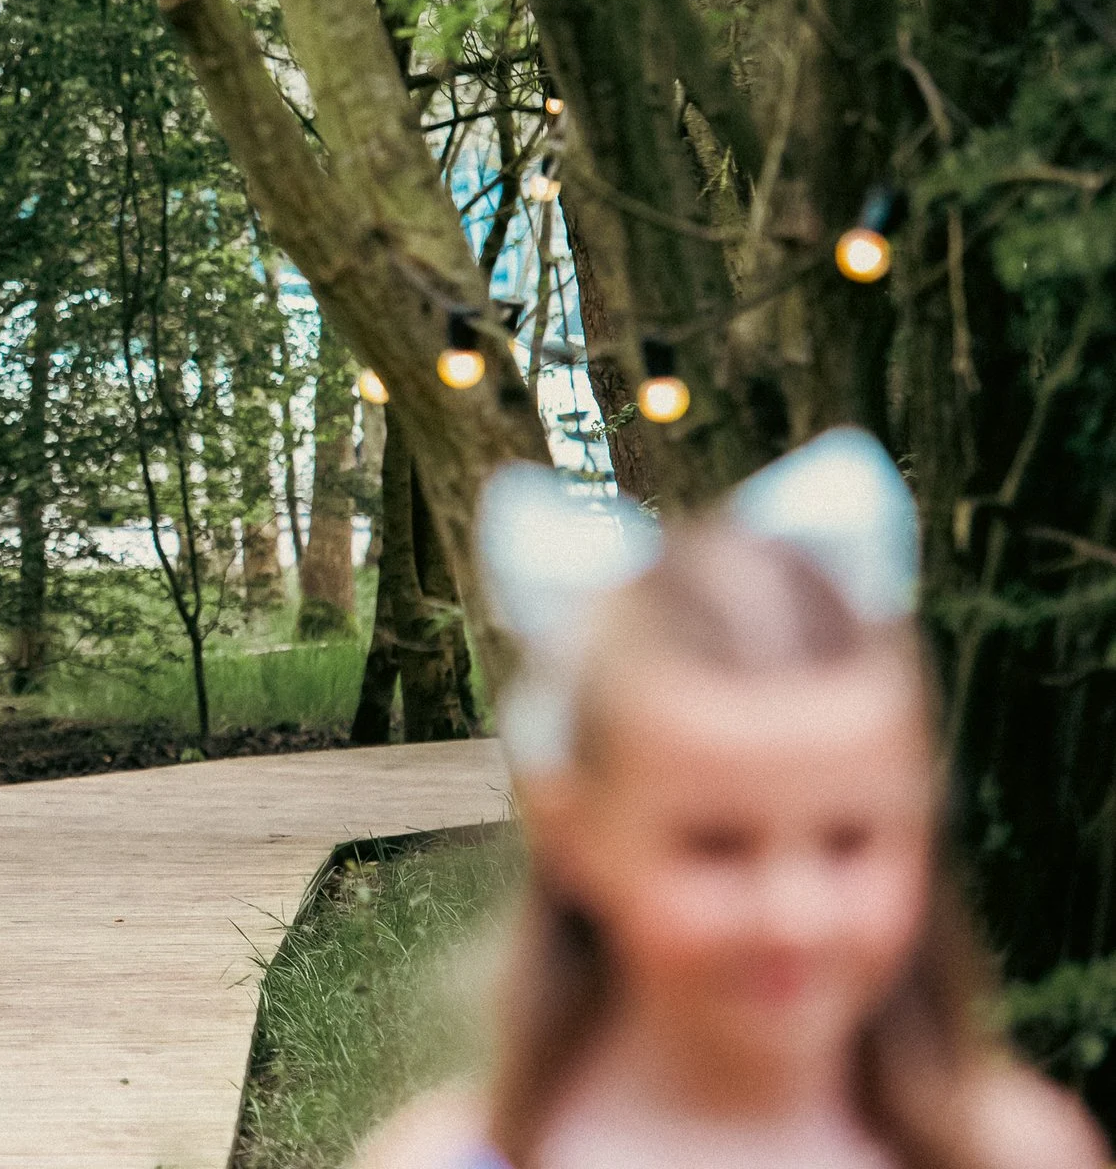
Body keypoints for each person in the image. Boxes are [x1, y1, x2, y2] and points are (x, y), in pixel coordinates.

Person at [355, 430, 1105, 1169]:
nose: (792, 916)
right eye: (717, 846)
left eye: (849, 840)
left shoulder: (1019, 1150)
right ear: (573, 834)